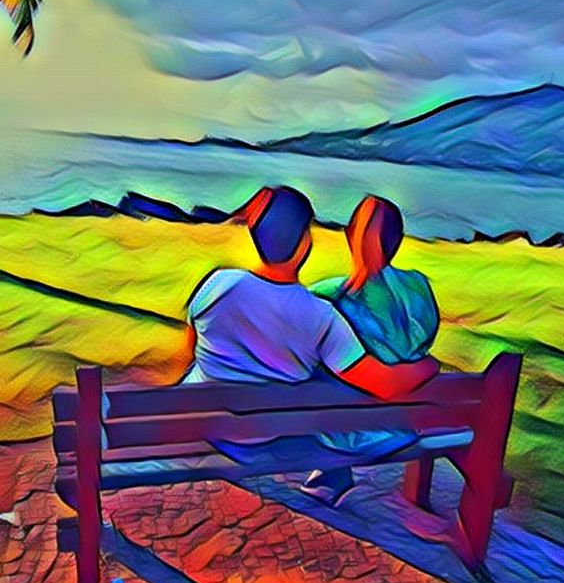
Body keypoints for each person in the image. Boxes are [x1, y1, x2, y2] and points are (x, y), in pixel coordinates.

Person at [181, 186, 439, 470]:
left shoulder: (217, 284)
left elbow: (190, 348)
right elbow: (385, 384)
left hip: (206, 424)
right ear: (304, 243)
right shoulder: (321, 316)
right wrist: (428, 366)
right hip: (264, 436)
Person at [303, 195, 440, 502]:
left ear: (349, 236)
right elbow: (424, 344)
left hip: (353, 430)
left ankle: (333, 472)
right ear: (397, 241)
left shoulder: (326, 295)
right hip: (407, 421)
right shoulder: (418, 286)